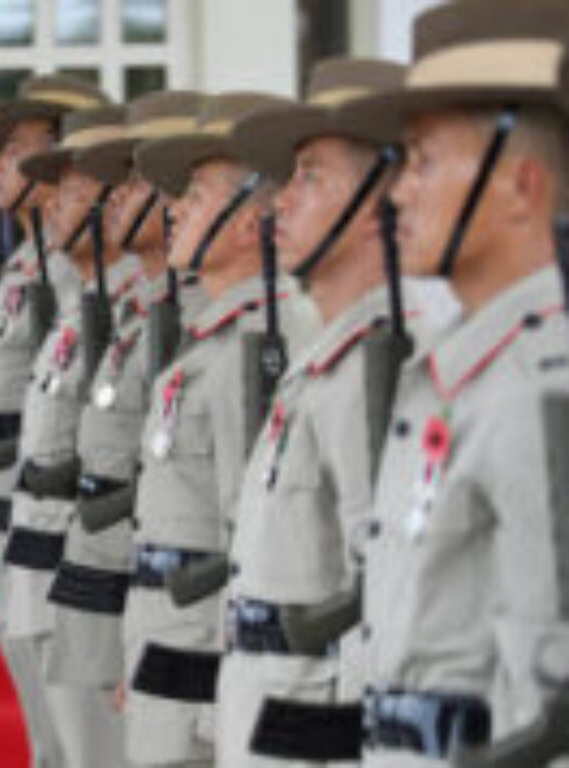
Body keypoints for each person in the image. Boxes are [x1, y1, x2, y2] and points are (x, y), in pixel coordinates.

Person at [338, 1, 569, 763]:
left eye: (425, 159)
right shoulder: (450, 368)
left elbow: (552, 711)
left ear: (521, 186)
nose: (398, 192)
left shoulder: (544, 391)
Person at [217, 57, 411, 766]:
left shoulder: (378, 365)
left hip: (315, 725)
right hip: (267, 703)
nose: (278, 204)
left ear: (375, 206)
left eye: (312, 176)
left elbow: (385, 600)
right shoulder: (324, 360)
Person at [122, 92, 321, 767]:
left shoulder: (256, 343)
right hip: (168, 636)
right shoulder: (210, 338)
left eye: (198, 194)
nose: (174, 207)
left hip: (203, 662)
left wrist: (217, 703)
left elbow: (253, 535)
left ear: (248, 225)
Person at [42, 88, 204, 735]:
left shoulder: (196, 322)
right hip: (108, 576)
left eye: (135, 185)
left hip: (159, 601)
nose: (115, 200)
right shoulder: (137, 311)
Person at [0, 74, 108, 768]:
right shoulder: (25, 263)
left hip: (45, 524)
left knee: (77, 738)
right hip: (0, 518)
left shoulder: (77, 269)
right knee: (46, 741)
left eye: (17, 148)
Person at [1, 105, 135, 768]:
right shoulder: (80, 307)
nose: (52, 207)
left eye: (74, 193)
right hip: (41, 560)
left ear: (118, 206)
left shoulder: (133, 314)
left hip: (87, 581)